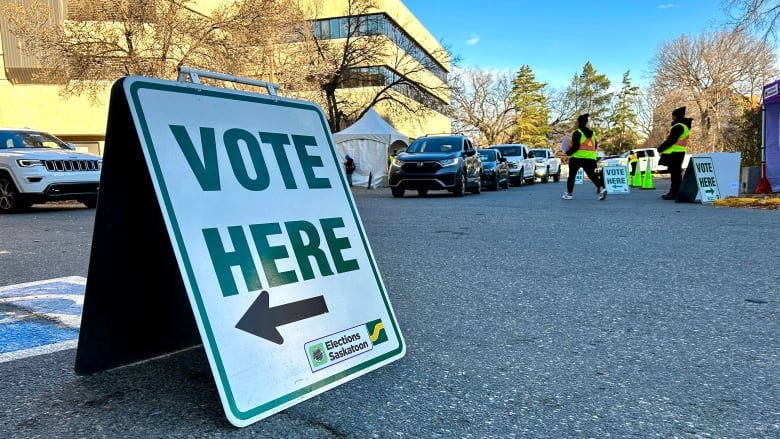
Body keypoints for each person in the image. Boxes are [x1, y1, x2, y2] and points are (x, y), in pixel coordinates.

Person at [563, 113, 607, 201]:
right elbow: (594, 146)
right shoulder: (593, 134)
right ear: (586, 123)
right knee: (592, 175)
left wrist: (568, 153)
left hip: (577, 158)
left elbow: (576, 147)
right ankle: (602, 189)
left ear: (578, 122)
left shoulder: (577, 133)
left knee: (572, 176)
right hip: (590, 158)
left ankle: (569, 194)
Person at [656, 106, 692, 200]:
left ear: (676, 116)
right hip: (678, 152)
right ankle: (674, 192)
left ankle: (674, 193)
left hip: (674, 153)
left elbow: (671, 140)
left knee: (675, 174)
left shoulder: (678, 126)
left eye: (673, 115)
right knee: (676, 173)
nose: (672, 117)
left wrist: (660, 148)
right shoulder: (683, 125)